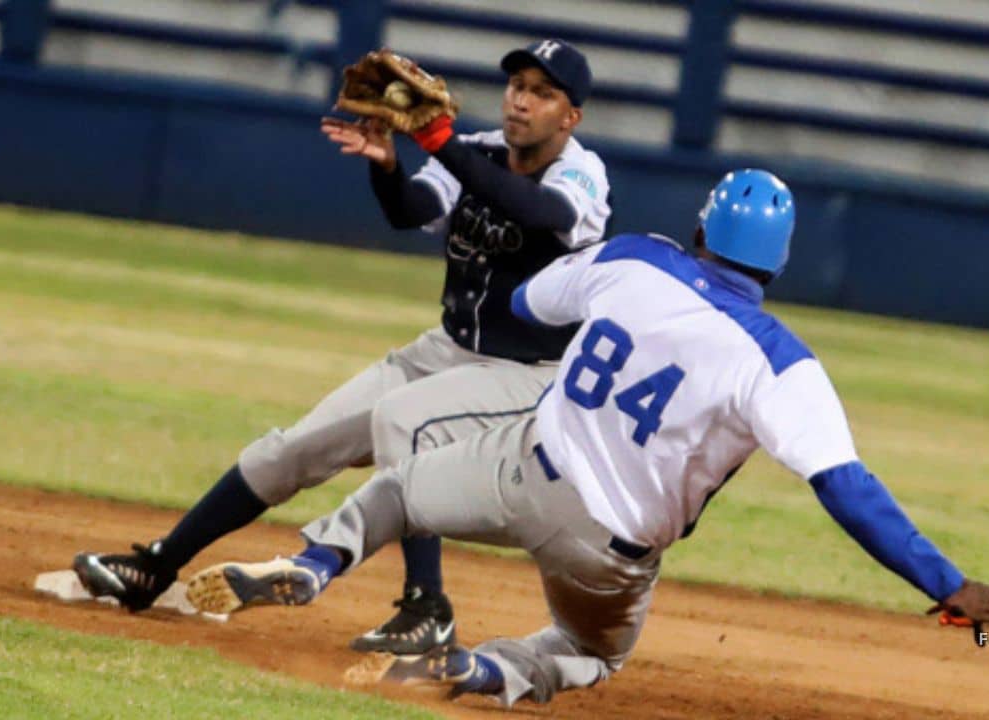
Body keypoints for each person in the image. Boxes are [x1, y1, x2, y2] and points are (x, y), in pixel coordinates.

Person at [180, 169, 989, 707]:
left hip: (519, 471)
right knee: (585, 650)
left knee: (401, 486)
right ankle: (479, 671)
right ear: (780, 263)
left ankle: (316, 561)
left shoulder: (637, 258)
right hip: (608, 554)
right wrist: (945, 582)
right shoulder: (782, 364)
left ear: (699, 231)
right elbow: (845, 488)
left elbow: (523, 308)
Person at [71, 38, 612, 658]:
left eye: (543, 93)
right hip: (446, 350)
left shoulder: (580, 173)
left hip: (527, 374)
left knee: (405, 423)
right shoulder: (479, 150)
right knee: (290, 451)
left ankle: (426, 607)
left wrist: (440, 143)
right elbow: (414, 210)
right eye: (518, 85)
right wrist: (386, 166)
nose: (521, 100)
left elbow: (535, 208)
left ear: (570, 117)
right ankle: (156, 567)